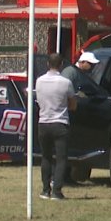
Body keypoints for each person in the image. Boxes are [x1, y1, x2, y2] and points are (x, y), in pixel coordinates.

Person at [35, 52, 77, 201]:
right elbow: (73, 105)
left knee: (46, 157)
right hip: (60, 123)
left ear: (48, 64)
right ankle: (57, 191)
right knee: (61, 158)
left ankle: (45, 189)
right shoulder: (66, 83)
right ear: (61, 65)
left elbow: (38, 100)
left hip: (43, 122)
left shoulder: (39, 81)